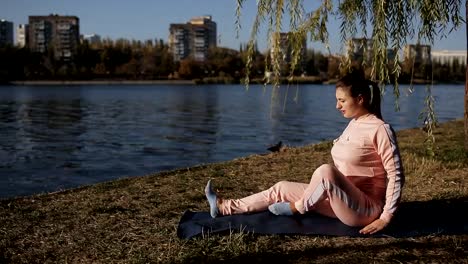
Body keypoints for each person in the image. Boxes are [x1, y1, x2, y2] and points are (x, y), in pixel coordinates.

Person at [205, 70, 405, 235]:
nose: (337, 106)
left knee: (325, 172)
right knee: (281, 188)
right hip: (342, 201)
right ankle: (224, 207)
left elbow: (396, 175)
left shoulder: (380, 129)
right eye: (337, 100)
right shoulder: (354, 124)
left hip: (365, 210)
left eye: (342, 101)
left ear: (360, 99)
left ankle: (298, 208)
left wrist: (385, 217)